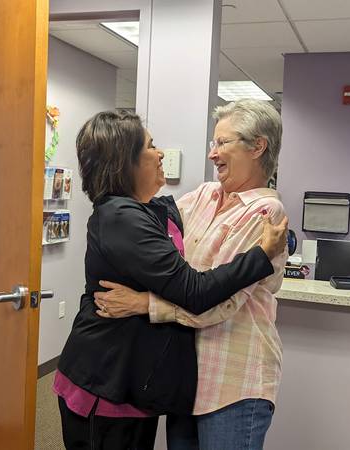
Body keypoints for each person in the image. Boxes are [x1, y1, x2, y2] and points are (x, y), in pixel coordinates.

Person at [55, 110, 288, 450]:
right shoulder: (196, 198)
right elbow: (192, 287)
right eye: (151, 146)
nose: (212, 152)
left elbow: (214, 302)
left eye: (222, 142)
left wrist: (144, 304)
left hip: (230, 381)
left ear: (257, 147)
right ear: (126, 161)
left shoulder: (265, 213)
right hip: (139, 378)